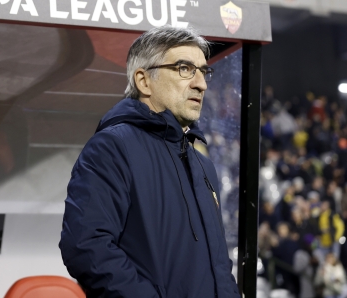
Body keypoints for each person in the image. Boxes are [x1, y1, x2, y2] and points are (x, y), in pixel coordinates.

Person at [59, 25, 240, 298]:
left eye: (203, 71)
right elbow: (86, 246)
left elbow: (217, 261)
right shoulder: (111, 148)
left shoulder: (203, 167)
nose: (201, 83)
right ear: (144, 81)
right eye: (184, 68)